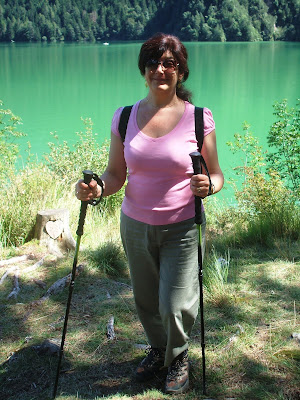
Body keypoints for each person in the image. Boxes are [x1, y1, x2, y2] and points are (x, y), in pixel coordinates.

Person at [75, 33, 224, 394]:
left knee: (175, 303)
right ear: (144, 71)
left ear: (180, 72)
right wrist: (96, 190)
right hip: (135, 225)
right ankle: (159, 351)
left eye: (170, 63)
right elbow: (115, 175)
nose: (161, 69)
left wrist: (209, 185)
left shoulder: (199, 119)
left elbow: (216, 175)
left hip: (182, 226)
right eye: (154, 63)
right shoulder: (124, 118)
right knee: (145, 299)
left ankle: (178, 357)